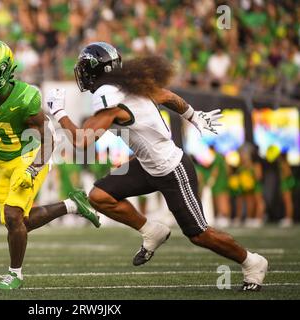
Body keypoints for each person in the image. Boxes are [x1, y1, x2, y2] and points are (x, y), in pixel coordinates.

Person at [46, 42, 268, 291]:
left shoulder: (110, 100)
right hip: (147, 165)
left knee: (199, 234)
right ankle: (152, 230)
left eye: (85, 69)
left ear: (96, 71)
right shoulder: (130, 86)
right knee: (99, 196)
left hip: (171, 168)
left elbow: (80, 140)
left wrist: (59, 112)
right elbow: (167, 96)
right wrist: (193, 115)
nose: (82, 74)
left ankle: (252, 262)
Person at [0, 40, 100, 290]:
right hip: (4, 159)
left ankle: (15, 274)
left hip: (32, 152)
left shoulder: (25, 96)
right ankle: (71, 205)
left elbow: (48, 137)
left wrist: (33, 168)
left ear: (5, 71)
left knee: (13, 216)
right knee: (15, 221)